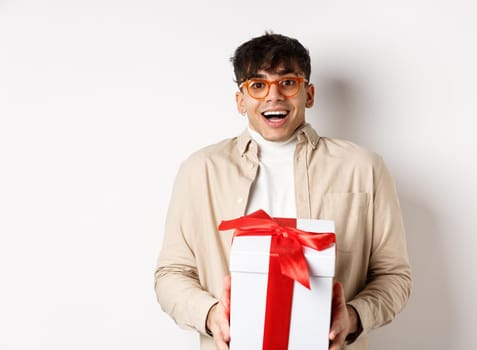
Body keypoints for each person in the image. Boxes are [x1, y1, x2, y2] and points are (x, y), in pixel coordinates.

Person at [154, 32, 412, 350]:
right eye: (258, 85)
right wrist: (210, 315)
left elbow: (394, 275)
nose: (273, 96)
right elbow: (171, 273)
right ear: (240, 100)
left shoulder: (364, 168)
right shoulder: (201, 170)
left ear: (309, 94)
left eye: (287, 83)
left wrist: (354, 318)